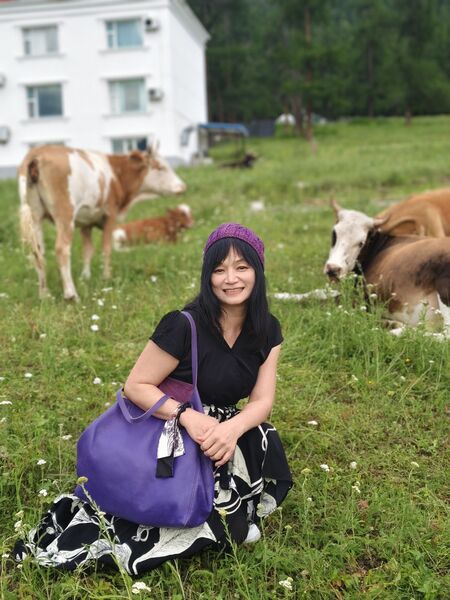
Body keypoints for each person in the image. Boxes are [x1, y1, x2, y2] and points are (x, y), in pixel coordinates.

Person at [14, 223, 292, 575]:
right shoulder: (184, 324)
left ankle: (223, 513)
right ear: (207, 275)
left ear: (258, 270)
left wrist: (231, 429)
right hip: (174, 423)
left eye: (242, 267)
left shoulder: (267, 329)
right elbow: (136, 385)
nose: (230, 279)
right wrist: (188, 417)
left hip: (220, 429)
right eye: (219, 269)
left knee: (260, 434)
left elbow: (262, 401)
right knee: (177, 517)